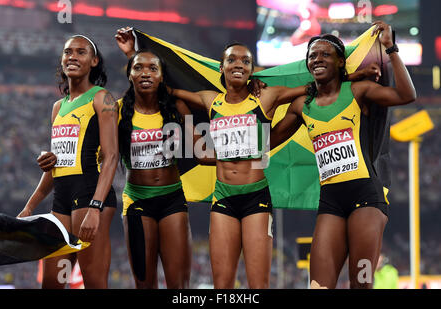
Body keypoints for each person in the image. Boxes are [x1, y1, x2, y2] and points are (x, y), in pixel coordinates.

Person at [115, 27, 373, 289]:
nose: (238, 64)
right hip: (223, 197)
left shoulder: (266, 96)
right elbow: (157, 86)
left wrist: (356, 75)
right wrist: (133, 55)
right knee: (222, 285)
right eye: (231, 60)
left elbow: (314, 88)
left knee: (258, 285)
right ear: (221, 68)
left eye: (245, 61)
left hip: (256, 198)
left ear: (253, 70)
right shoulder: (210, 100)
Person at [271, 21, 416, 289]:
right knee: (317, 285)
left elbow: (406, 95)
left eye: (325, 54)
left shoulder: (358, 91)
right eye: (312, 55)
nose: (317, 59)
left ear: (340, 61)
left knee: (360, 282)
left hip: (366, 198)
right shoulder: (303, 106)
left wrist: (391, 49)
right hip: (331, 202)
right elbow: (265, 143)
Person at [18, 35, 119, 289]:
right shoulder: (57, 107)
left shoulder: (102, 98)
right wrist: (29, 207)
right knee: (52, 283)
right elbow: (56, 166)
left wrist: (95, 207)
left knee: (94, 281)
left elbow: (112, 156)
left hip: (90, 195)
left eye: (81, 52)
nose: (72, 56)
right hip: (61, 200)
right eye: (67, 52)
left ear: (94, 61)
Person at [116, 47, 215, 288]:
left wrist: (244, 154)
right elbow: (100, 155)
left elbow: (202, 152)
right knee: (144, 284)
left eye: (153, 68)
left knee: (179, 285)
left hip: (172, 200)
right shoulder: (116, 110)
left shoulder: (176, 107)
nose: (146, 73)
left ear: (162, 76)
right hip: (137, 202)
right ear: (130, 74)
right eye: (138, 68)